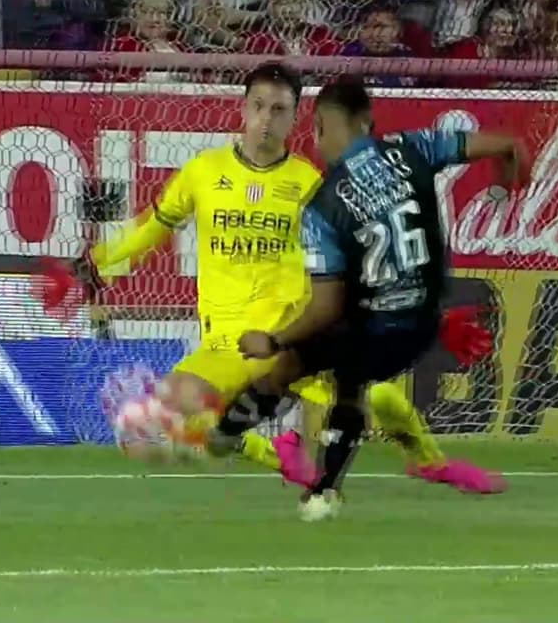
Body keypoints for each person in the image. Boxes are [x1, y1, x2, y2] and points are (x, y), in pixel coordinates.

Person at [79, 63, 474, 491]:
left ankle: (430, 462)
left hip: (289, 335)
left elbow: (357, 261)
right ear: (243, 108)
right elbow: (152, 226)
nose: (266, 119)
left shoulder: (311, 183)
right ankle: (275, 453)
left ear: (295, 117)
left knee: (377, 396)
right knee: (163, 417)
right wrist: (96, 262)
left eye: (279, 109)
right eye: (259, 106)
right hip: (226, 344)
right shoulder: (203, 172)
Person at [208, 76, 526, 521]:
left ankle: (233, 437)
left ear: (318, 129)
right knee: (351, 372)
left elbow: (326, 307)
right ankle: (323, 490)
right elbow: (508, 145)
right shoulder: (413, 147)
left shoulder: (322, 205)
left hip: (376, 328)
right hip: (423, 325)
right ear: (368, 123)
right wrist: (506, 181)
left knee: (301, 362)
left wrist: (274, 340)